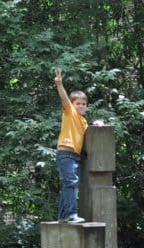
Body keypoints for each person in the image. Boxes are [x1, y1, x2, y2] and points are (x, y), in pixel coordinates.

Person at [54, 68, 88, 223]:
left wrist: (99, 123)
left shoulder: (83, 121)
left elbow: (89, 134)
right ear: (73, 105)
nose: (81, 106)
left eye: (83, 104)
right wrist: (59, 84)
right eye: (78, 103)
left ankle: (62, 216)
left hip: (75, 156)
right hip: (66, 153)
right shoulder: (70, 112)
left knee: (69, 184)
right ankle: (71, 214)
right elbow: (64, 98)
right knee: (71, 183)